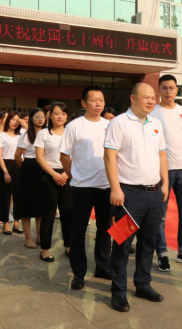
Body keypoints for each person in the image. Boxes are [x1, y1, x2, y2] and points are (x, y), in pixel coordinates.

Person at [104, 83, 169, 312]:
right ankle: (118, 292)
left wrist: (165, 183)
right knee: (122, 245)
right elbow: (109, 156)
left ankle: (143, 284)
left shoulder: (156, 123)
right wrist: (115, 188)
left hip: (154, 194)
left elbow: (162, 155)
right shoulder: (119, 122)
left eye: (153, 97)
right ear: (133, 98)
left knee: (148, 243)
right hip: (128, 196)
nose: (151, 101)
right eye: (146, 97)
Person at [60, 85, 112, 290]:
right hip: (82, 187)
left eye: (101, 100)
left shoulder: (110, 125)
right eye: (93, 100)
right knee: (78, 230)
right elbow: (64, 156)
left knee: (105, 229)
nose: (98, 104)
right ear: (83, 103)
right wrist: (75, 175)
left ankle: (103, 266)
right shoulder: (74, 126)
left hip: (106, 185)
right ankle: (79, 272)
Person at [152, 74, 182, 272]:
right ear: (159, 90)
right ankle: (162, 254)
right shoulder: (153, 112)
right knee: (161, 215)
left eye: (171, 88)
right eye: (164, 88)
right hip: (162, 171)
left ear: (177, 90)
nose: (168, 91)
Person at [36, 103, 73, 262]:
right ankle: (45, 248)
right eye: (56, 113)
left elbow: (76, 155)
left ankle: (69, 246)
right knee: (49, 214)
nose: (60, 117)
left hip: (68, 174)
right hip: (48, 175)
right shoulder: (43, 133)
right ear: (50, 116)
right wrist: (54, 174)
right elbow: (39, 157)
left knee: (68, 213)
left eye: (63, 114)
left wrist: (65, 173)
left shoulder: (71, 132)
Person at [14, 109, 45, 249]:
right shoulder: (27, 135)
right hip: (29, 169)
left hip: (43, 169)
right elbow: (17, 156)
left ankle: (39, 236)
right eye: (37, 116)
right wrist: (26, 168)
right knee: (26, 206)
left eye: (43, 116)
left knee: (41, 206)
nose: (40, 119)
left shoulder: (47, 133)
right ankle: (28, 238)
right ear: (31, 118)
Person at [0, 111, 23, 235]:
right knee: (5, 197)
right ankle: (5, 223)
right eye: (13, 119)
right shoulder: (1, 136)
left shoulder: (22, 136)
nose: (15, 122)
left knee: (19, 197)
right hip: (6, 166)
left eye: (18, 120)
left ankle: (17, 223)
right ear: (8, 120)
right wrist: (5, 172)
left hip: (19, 166)